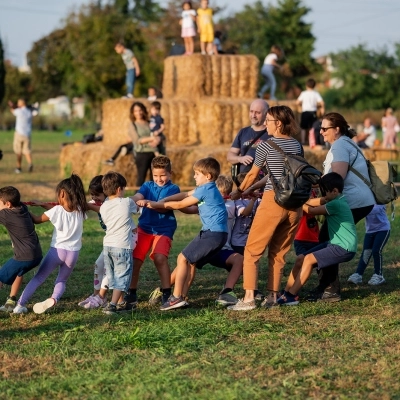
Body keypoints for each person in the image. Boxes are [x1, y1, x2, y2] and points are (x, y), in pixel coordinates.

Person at [228, 105, 303, 311]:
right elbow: (277, 174)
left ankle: (249, 297)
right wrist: (250, 189)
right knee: (278, 253)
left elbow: (253, 173)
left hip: (273, 202)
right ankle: (272, 297)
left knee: (252, 250)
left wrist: (239, 191)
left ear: (278, 123)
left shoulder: (266, 145)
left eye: (268, 121)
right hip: (294, 204)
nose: (265, 124)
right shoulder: (296, 145)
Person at [307, 112, 375, 302]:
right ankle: (328, 287)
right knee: (328, 239)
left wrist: (313, 183)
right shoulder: (346, 143)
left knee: (327, 240)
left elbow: (336, 178)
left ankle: (329, 289)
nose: (321, 132)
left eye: (325, 128)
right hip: (361, 200)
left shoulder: (340, 146)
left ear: (337, 129)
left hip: (353, 201)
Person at [145, 157, 228, 311]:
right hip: (217, 234)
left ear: (208, 176)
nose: (194, 176)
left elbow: (180, 204)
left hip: (213, 234)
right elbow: (184, 196)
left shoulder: (206, 189)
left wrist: (155, 204)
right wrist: (165, 199)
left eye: (197, 174)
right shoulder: (208, 189)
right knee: (191, 262)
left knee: (182, 258)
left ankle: (176, 298)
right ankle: (181, 297)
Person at [277, 172, 357, 305]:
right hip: (334, 244)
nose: (323, 196)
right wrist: (301, 199)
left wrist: (295, 201)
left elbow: (311, 211)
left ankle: (291, 296)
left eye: (325, 193)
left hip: (344, 247)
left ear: (335, 191)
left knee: (308, 259)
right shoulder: (336, 198)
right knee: (300, 259)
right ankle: (287, 291)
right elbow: (313, 203)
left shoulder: (336, 204)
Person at [13, 174, 88, 314]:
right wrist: (44, 205)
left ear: (62, 193)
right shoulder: (80, 210)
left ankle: (19, 305)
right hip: (73, 253)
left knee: (39, 278)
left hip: (57, 251)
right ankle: (54, 298)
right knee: (62, 280)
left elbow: (36, 219)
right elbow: (66, 209)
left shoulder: (56, 210)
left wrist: (24, 210)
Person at [123, 156, 181, 308]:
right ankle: (131, 293)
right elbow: (138, 196)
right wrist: (127, 201)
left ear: (170, 173)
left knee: (160, 258)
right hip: (145, 228)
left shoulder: (174, 189)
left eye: (162, 175)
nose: (159, 179)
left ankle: (167, 293)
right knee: (136, 260)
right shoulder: (147, 186)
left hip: (164, 229)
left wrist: (149, 203)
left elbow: (164, 206)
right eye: (156, 175)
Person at [99, 172, 138, 314]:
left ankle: (121, 302)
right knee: (122, 276)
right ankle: (113, 304)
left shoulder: (103, 206)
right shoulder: (127, 202)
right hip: (122, 246)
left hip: (108, 246)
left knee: (113, 275)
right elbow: (138, 207)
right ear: (119, 189)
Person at [0, 187, 43, 312]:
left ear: (8, 204)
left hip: (24, 256)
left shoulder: (5, 214)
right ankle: (11, 301)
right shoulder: (23, 208)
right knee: (20, 272)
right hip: (36, 255)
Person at [77, 176, 108, 309]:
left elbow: (100, 209)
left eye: (97, 195)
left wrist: (86, 205)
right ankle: (97, 295)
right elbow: (83, 205)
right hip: (111, 240)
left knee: (109, 269)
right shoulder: (97, 202)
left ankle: (102, 297)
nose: (94, 197)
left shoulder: (111, 204)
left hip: (124, 240)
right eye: (92, 194)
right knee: (98, 264)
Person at [348, 204, 390, 286]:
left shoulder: (380, 199)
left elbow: (373, 210)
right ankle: (358, 274)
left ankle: (379, 275)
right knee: (366, 252)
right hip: (370, 231)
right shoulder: (366, 200)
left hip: (383, 229)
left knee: (376, 251)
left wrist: (360, 209)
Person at [227, 99, 271, 177]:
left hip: (264, 181)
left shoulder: (272, 133)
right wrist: (240, 159)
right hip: (244, 180)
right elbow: (230, 156)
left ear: (266, 114)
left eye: (257, 113)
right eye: (251, 111)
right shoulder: (243, 132)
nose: (253, 115)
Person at [128, 102, 159, 187]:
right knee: (141, 178)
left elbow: (158, 133)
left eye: (140, 110)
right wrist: (152, 138)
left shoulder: (149, 122)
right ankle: (137, 198)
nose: (138, 113)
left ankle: (155, 198)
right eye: (136, 111)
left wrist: (158, 139)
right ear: (133, 113)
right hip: (142, 153)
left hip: (154, 153)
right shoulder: (133, 125)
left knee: (155, 178)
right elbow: (137, 140)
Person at [230, 173, 261, 256]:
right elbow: (245, 212)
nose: (258, 188)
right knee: (241, 264)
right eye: (254, 186)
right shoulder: (238, 201)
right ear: (245, 187)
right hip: (238, 241)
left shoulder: (258, 200)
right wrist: (253, 200)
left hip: (251, 240)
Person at [8, 99, 38, 174]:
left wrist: (12, 105)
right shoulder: (29, 111)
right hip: (27, 134)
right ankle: (30, 163)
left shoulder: (19, 111)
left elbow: (12, 111)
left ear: (21, 103)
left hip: (19, 133)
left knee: (18, 151)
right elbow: (34, 113)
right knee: (27, 150)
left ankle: (19, 168)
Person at [296, 78, 325, 145]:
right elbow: (322, 102)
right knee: (312, 127)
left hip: (305, 112)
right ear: (314, 86)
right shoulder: (316, 94)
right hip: (313, 112)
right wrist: (322, 109)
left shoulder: (303, 93)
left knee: (303, 127)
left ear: (306, 85)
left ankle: (303, 141)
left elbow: (297, 102)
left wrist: (300, 105)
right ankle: (311, 141)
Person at [293, 189, 320, 256]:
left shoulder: (314, 202)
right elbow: (310, 210)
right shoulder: (299, 203)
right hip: (301, 239)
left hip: (314, 238)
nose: (311, 196)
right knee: (302, 261)